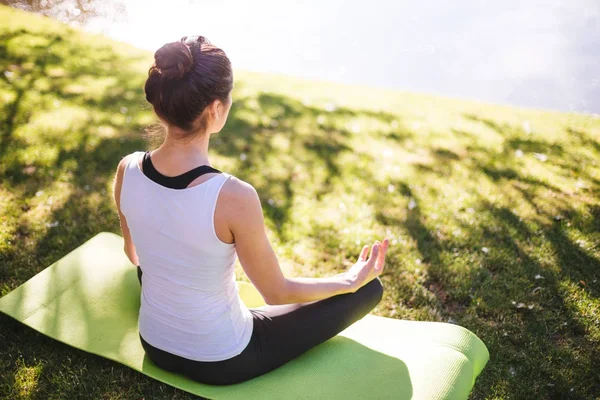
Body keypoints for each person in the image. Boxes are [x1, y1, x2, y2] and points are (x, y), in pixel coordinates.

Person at [112, 35, 390, 386]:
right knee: (367, 289)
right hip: (222, 359)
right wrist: (349, 279)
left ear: (159, 105)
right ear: (216, 109)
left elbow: (134, 256)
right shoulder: (232, 196)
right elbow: (277, 292)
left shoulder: (128, 168)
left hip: (154, 344)